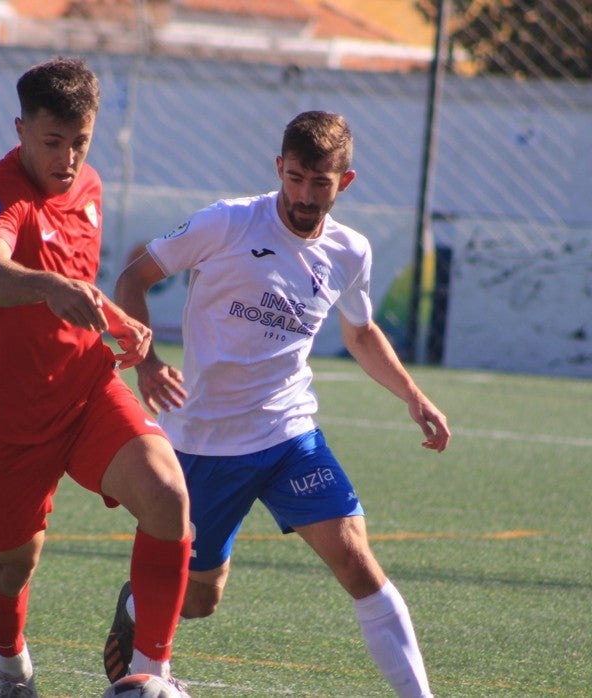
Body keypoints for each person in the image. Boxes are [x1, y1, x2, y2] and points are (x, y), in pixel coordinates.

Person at [103, 111, 450, 698]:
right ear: (278, 169)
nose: (305, 196)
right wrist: (147, 361)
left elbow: (361, 333)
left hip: (289, 435)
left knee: (357, 562)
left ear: (347, 181)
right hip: (204, 442)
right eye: (295, 178)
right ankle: (141, 600)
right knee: (201, 599)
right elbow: (133, 279)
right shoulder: (228, 222)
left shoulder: (350, 251)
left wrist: (413, 396)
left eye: (321, 183)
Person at [0, 56, 193, 698]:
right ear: (21, 129)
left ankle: (152, 677)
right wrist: (47, 287)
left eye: (79, 142)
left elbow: (79, 285)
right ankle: (12, 669)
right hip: (7, 420)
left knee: (168, 497)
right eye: (51, 142)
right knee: (12, 565)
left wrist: (129, 338)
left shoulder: (87, 187)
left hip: (88, 395)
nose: (66, 158)